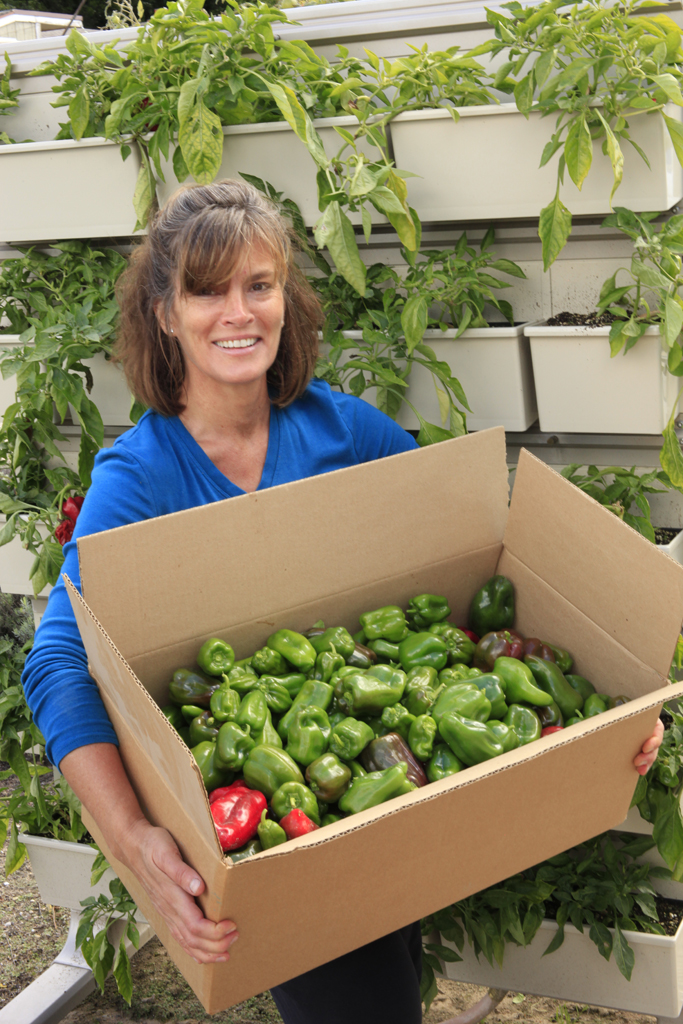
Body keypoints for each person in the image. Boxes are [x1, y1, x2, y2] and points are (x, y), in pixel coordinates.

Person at [22, 179, 663, 1024]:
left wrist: (606, 715)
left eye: (259, 285)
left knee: (389, 975)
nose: (238, 312)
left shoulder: (344, 432)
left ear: (287, 301)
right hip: (279, 836)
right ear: (164, 312)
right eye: (207, 290)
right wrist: (136, 844)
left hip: (376, 790)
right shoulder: (139, 480)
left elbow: (477, 558)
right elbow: (59, 660)